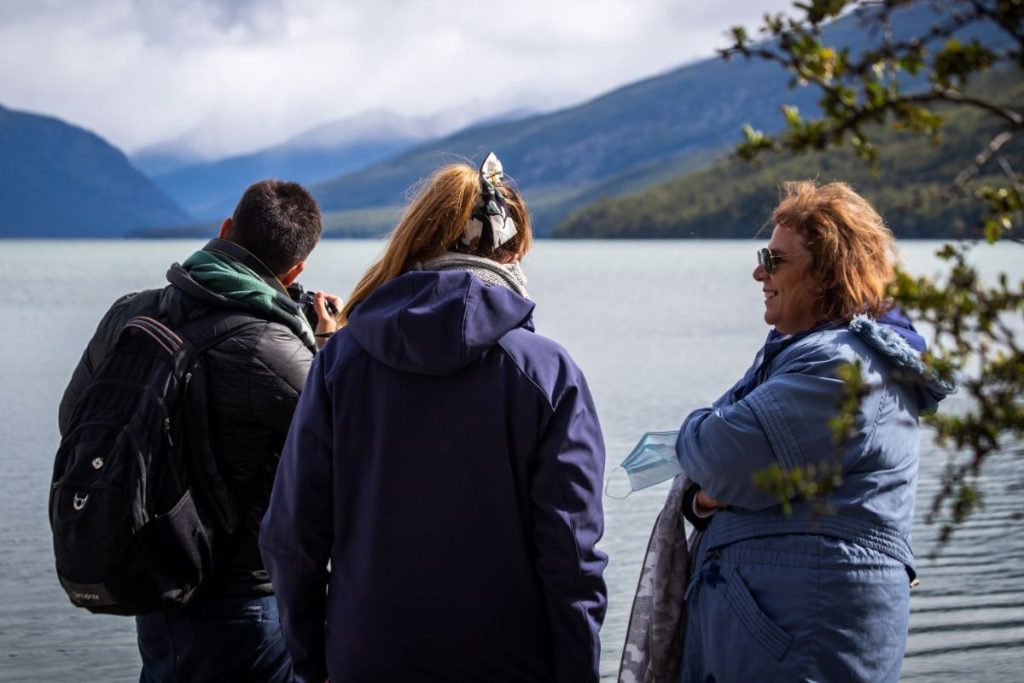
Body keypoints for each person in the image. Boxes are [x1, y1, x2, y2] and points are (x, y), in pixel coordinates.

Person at [259, 153, 608, 683]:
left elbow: (292, 537)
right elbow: (571, 557)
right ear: (511, 252)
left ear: (421, 239)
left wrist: (313, 662)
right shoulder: (546, 373)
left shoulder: (341, 361)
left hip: (366, 659)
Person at [629, 180, 954, 683]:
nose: (759, 272)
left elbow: (724, 454)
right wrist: (704, 494)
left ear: (827, 274)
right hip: (773, 635)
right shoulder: (808, 354)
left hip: (797, 643)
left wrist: (695, 433)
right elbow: (724, 471)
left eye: (775, 259)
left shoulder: (842, 367)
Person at [58, 179, 341, 683]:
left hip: (152, 574)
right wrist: (327, 347)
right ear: (295, 269)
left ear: (226, 229)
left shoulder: (131, 311)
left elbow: (73, 419)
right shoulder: (276, 349)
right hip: (244, 601)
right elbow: (341, 453)